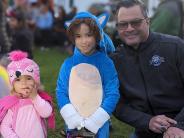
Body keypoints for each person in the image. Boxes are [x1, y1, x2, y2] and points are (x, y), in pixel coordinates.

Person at [110, 0, 184, 138]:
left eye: (136, 22)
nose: (129, 28)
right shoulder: (115, 61)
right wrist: (147, 121)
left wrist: (179, 126)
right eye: (123, 24)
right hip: (144, 131)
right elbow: (117, 104)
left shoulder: (175, 47)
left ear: (148, 21)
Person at [56, 11, 119, 137]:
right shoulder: (68, 65)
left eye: (88, 35)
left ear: (97, 35)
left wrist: (95, 120)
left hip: (98, 123)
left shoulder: (105, 63)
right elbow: (61, 91)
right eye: (78, 36)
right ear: (73, 38)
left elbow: (112, 92)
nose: (84, 41)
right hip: (74, 123)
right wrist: (72, 117)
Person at [0, 50, 55, 138]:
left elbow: (46, 113)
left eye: (28, 78)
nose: (24, 83)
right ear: (13, 85)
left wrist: (35, 97)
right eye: (18, 80)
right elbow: (4, 127)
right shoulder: (13, 105)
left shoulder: (38, 99)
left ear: (35, 82)